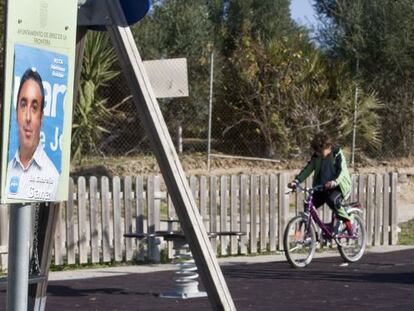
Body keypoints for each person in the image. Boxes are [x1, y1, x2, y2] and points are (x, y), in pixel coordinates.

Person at [6, 68, 59, 201]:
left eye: (34, 108)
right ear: (16, 112)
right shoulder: (6, 171)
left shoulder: (52, 176)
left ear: (41, 117)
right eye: (23, 105)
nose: (28, 117)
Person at [289, 131, 353, 235]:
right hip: (323, 187)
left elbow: (342, 171)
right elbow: (307, 169)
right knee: (308, 205)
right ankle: (311, 234)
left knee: (332, 200)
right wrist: (296, 181)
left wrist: (334, 182)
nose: (318, 153)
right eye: (317, 151)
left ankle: (348, 221)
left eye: (320, 150)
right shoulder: (317, 156)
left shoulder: (337, 153)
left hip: (339, 186)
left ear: (328, 147)